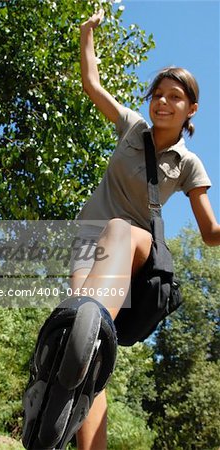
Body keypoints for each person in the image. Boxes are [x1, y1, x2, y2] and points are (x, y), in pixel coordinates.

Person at [69, 9, 220, 450]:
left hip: (135, 248)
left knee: (119, 228)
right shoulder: (132, 127)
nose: (162, 101)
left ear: (191, 108)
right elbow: (92, 85)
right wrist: (86, 36)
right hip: (87, 245)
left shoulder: (188, 164)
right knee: (84, 352)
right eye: (157, 93)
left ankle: (90, 330)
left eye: (175, 96)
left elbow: (210, 233)